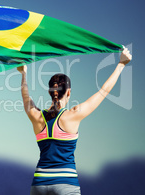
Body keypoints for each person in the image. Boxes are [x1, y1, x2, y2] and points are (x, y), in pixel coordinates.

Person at [17, 47, 132, 195]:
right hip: (66, 184)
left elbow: (25, 96)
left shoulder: (36, 116)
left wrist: (23, 74)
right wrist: (121, 64)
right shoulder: (74, 114)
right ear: (69, 92)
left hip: (40, 182)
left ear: (50, 92)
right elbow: (104, 91)